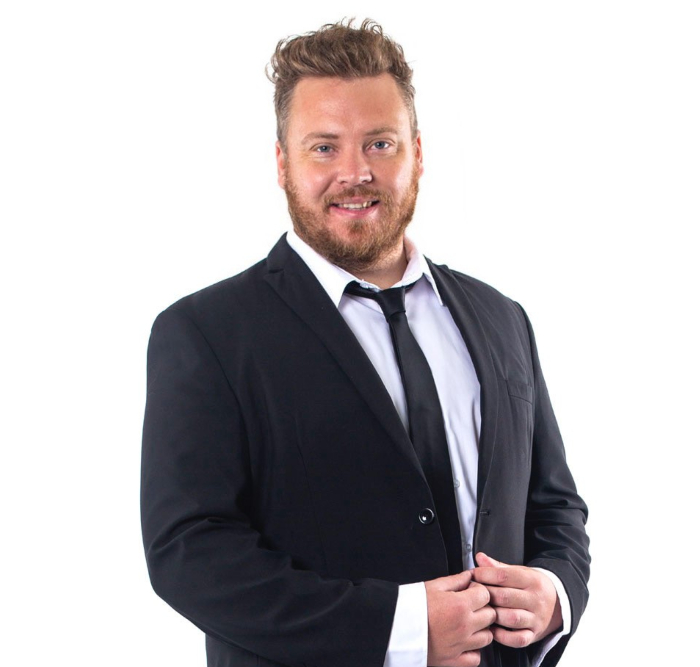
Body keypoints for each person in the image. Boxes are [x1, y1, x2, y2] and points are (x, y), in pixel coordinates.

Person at [141, 19, 590, 667]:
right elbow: (189, 552)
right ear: (282, 163)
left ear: (417, 153)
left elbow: (555, 505)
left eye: (380, 143)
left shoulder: (502, 317)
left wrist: (554, 593)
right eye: (324, 148)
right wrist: (399, 630)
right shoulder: (206, 332)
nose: (355, 173)